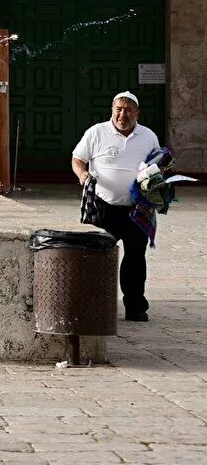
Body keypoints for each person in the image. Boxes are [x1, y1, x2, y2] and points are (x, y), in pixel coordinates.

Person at [73, 91, 163, 322]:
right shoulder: (97, 132)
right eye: (119, 110)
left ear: (137, 113)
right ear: (112, 110)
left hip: (137, 208)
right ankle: (92, 305)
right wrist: (82, 173)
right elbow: (78, 158)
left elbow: (157, 164)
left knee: (135, 258)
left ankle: (135, 307)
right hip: (102, 206)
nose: (123, 115)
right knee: (95, 256)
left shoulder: (148, 136)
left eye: (128, 110)